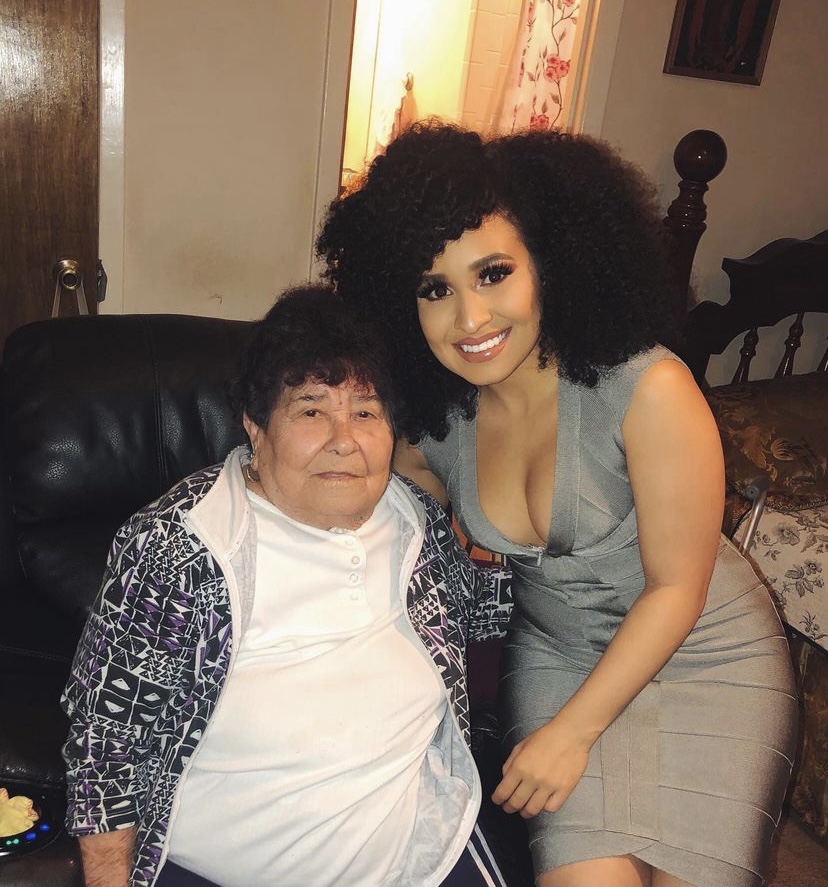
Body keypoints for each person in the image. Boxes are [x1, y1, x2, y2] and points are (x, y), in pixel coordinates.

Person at [316, 121, 798, 887]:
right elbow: (351, 506)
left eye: (493, 273)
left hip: (706, 655)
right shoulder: (437, 427)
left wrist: (571, 735)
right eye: (435, 289)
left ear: (550, 260)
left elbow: (677, 589)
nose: (470, 318)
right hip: (561, 657)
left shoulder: (648, 387)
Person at [61, 285, 513, 887]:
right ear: (255, 427)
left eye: (365, 412)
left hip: (421, 855)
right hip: (215, 872)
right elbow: (105, 741)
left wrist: (520, 532)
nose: (344, 439)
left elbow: (487, 616)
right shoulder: (178, 546)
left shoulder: (416, 522)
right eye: (311, 411)